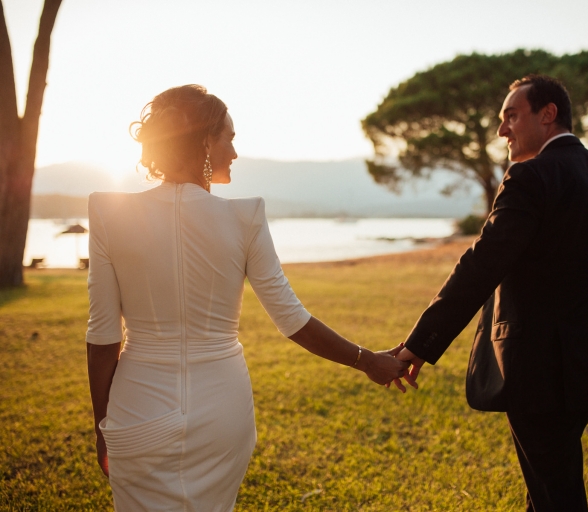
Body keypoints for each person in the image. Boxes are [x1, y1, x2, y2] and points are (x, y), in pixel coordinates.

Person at [86, 84, 407, 511]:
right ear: (204, 140)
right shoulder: (245, 216)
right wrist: (369, 361)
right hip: (223, 411)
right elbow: (291, 320)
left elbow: (104, 336)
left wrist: (103, 424)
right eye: (229, 138)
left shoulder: (109, 213)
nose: (235, 152)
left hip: (138, 406)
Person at [392, 75, 588, 511]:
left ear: (548, 115)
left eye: (511, 116)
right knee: (549, 481)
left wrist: (420, 343)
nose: (501, 130)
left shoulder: (531, 176)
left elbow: (482, 265)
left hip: (538, 371)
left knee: (556, 493)